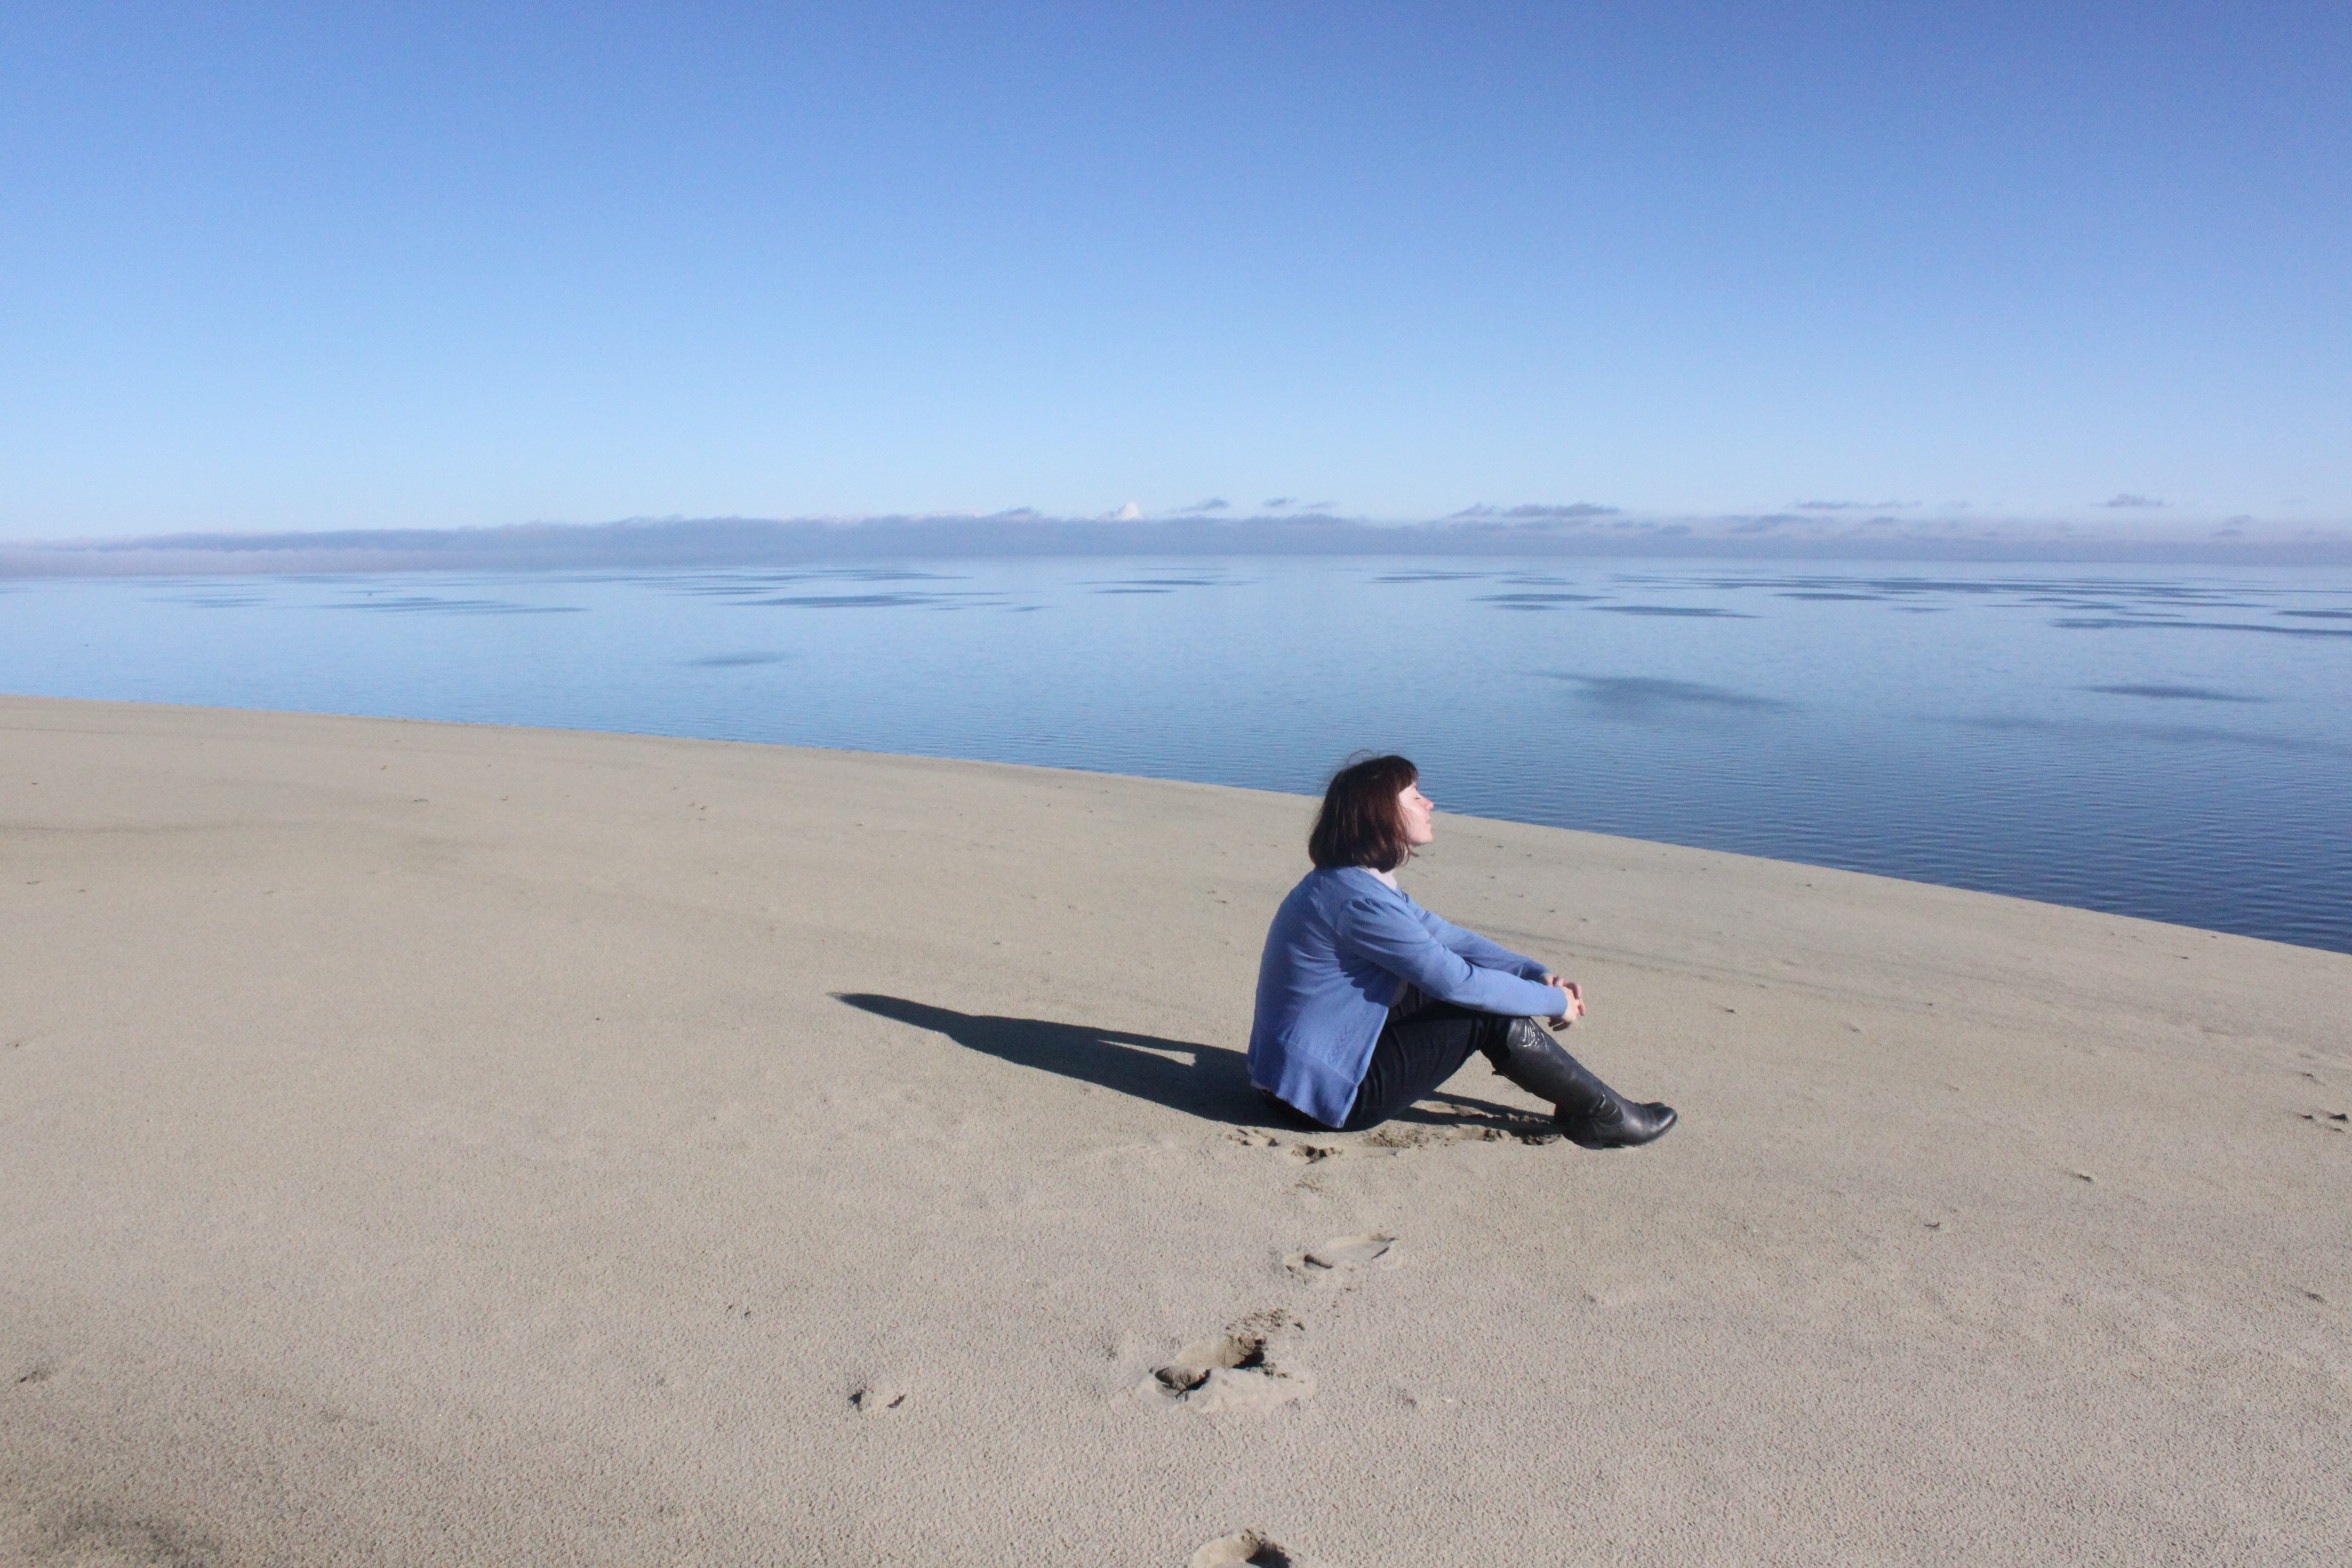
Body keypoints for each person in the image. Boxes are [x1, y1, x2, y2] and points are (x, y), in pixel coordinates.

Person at [1247, 754, 1676, 1148]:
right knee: (1481, 1009)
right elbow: (1456, 982)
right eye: (1414, 796)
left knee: (1469, 985)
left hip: (1296, 1075)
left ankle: (1581, 1103)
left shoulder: (1352, 881)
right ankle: (1604, 1115)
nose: (1429, 803)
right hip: (1318, 1098)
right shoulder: (1360, 902)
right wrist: (1555, 1002)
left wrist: (1533, 973)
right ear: (1381, 813)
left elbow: (1447, 937)